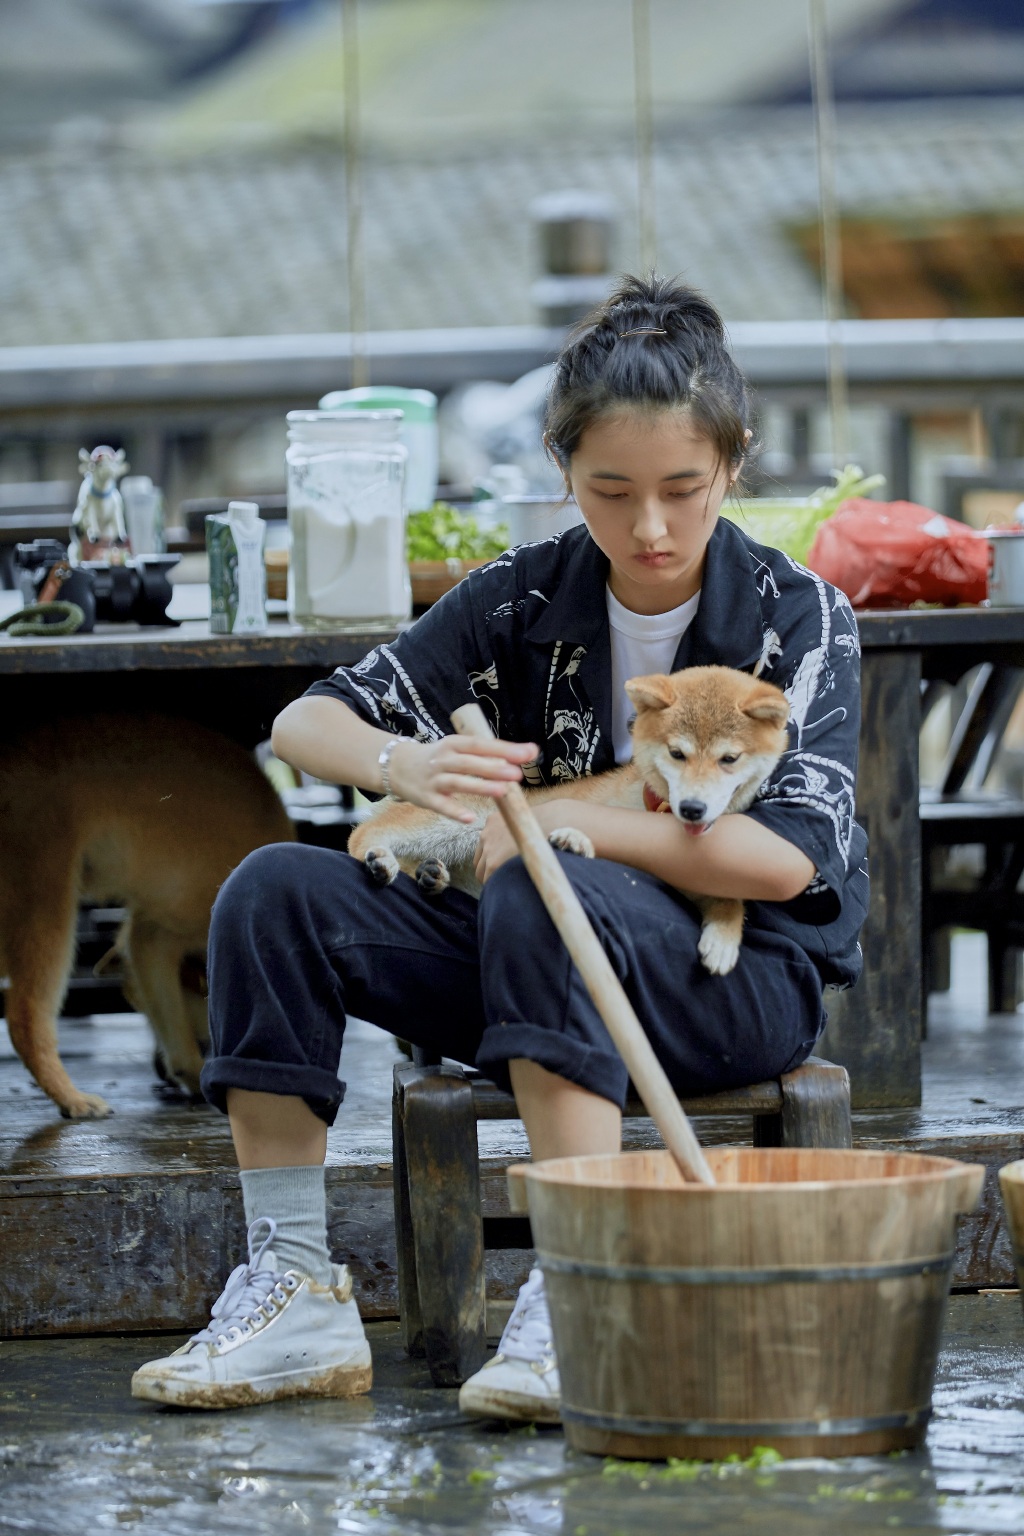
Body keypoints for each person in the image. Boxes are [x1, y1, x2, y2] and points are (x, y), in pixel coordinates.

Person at [132, 274, 868, 1419]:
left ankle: (579, 1293)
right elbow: (301, 723)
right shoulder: (519, 598)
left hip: (726, 985)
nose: (650, 527)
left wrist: (570, 827)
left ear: (733, 464)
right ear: (561, 469)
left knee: (538, 873)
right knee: (274, 889)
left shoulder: (794, 614)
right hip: (524, 968)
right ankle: (292, 1287)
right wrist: (404, 765)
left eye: (682, 487)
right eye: (609, 490)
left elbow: (782, 862)